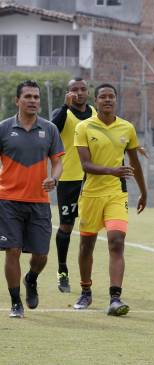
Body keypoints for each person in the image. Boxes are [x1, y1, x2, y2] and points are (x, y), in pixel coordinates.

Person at [73, 83, 147, 316]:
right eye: (103, 97)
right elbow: (85, 165)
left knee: (116, 241)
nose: (107, 100)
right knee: (87, 246)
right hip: (91, 194)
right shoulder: (84, 127)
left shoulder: (127, 127)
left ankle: (115, 298)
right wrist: (111, 170)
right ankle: (86, 292)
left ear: (116, 100)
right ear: (95, 101)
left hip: (117, 194)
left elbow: (134, 162)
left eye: (111, 96)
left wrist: (144, 191)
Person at [0, 80, 64, 318]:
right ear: (17, 101)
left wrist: (54, 179)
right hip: (8, 200)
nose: (33, 101)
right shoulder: (4, 128)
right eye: (28, 97)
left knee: (41, 255)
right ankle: (15, 302)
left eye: (36, 97)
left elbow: (57, 161)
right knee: (12, 250)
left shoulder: (49, 129)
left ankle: (31, 278)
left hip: (39, 202)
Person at [50, 78, 96, 293]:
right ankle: (62, 270)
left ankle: (86, 278)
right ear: (68, 92)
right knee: (66, 226)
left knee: (90, 228)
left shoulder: (96, 114)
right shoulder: (64, 113)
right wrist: (64, 106)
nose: (79, 93)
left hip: (93, 179)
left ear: (88, 92)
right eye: (74, 90)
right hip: (69, 179)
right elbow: (53, 129)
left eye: (82, 89)